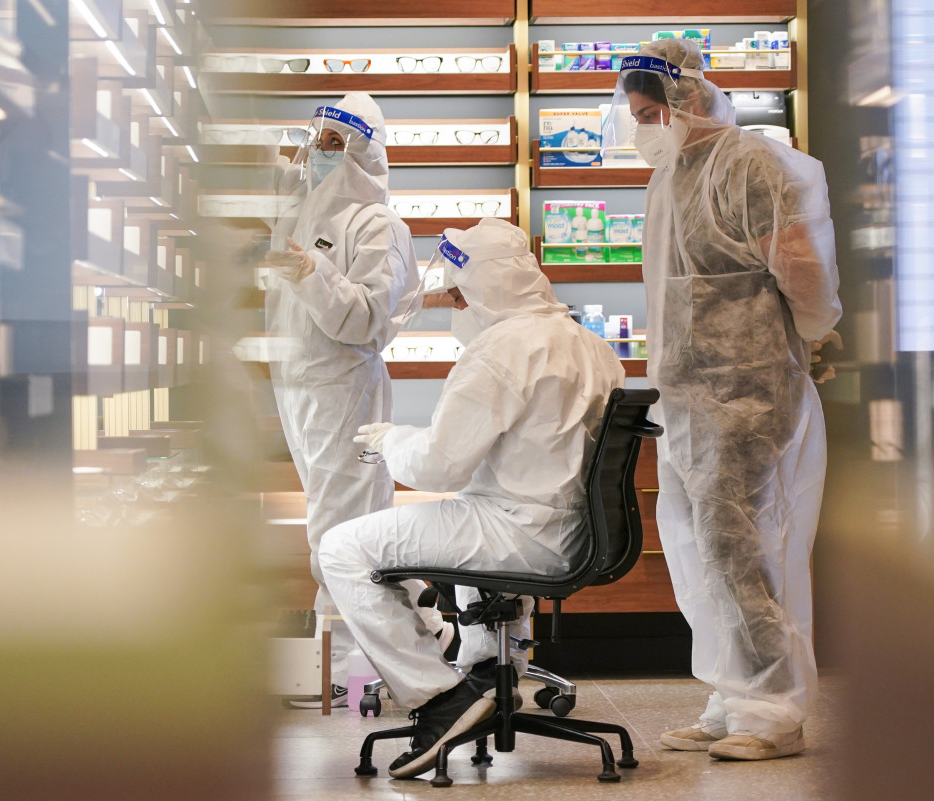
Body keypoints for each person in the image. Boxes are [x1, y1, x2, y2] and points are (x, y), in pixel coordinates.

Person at [318, 218, 625, 778]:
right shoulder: (592, 345)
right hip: (570, 535)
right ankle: (488, 670)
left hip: (518, 534)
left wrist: (393, 441)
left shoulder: (499, 352)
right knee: (454, 519)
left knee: (341, 548)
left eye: (460, 294)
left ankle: (442, 700)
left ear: (483, 290)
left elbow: (438, 465)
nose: (455, 306)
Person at [605, 38, 842, 760]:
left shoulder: (749, 164)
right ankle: (731, 692)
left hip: (746, 388)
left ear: (692, 99)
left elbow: (800, 268)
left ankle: (773, 708)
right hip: (686, 392)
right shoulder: (670, 175)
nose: (645, 126)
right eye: (637, 114)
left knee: (741, 547)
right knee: (699, 549)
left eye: (654, 112)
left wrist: (811, 335)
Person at [262, 94, 450, 708]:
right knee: (350, 523)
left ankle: (339, 665)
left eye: (335, 143)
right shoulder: (303, 209)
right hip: (299, 388)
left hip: (342, 390)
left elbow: (368, 319)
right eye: (317, 139)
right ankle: (431, 630)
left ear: (364, 151)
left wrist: (312, 275)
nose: (320, 153)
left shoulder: (379, 226)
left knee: (336, 531)